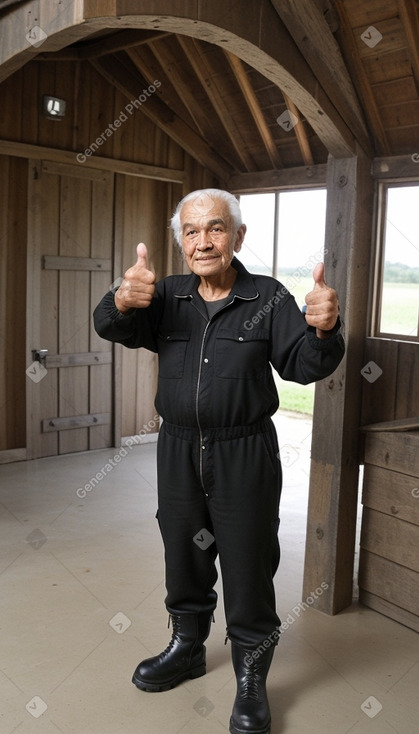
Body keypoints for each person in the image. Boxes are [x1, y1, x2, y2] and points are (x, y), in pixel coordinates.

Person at [93, 189, 344, 734]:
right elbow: (113, 327)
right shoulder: (168, 295)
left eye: (215, 229)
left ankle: (251, 678)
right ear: (180, 240)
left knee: (248, 562)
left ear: (238, 236)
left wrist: (325, 330)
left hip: (244, 450)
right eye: (190, 231)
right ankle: (186, 646)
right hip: (178, 447)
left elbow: (304, 366)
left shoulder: (269, 298)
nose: (202, 241)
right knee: (183, 550)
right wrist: (119, 297)